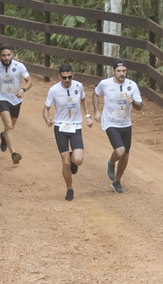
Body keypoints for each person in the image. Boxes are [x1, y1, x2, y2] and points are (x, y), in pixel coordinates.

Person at [42, 63, 94, 201]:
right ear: (59, 76)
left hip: (75, 126)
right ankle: (69, 189)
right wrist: (47, 119)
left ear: (73, 75)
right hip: (60, 127)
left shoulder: (78, 86)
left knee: (78, 160)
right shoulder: (53, 90)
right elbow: (46, 108)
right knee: (65, 163)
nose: (67, 80)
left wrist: (88, 116)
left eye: (69, 77)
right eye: (64, 77)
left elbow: (83, 99)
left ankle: (72, 158)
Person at [93, 59, 143, 193]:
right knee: (120, 151)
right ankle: (110, 163)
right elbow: (96, 93)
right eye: (119, 71)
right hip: (110, 122)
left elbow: (140, 106)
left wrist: (132, 102)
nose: (121, 74)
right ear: (113, 71)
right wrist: (96, 111)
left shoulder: (132, 85)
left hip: (125, 123)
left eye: (124, 71)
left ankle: (117, 181)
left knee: (125, 155)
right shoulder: (105, 83)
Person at [0, 44, 32, 165]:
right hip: (1, 99)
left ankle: (4, 136)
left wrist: (23, 90)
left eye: (8, 55)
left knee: (10, 128)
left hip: (16, 100)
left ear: (12, 55)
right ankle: (14, 154)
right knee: (9, 126)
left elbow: (29, 81)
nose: (6, 58)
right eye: (4, 55)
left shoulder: (19, 66)